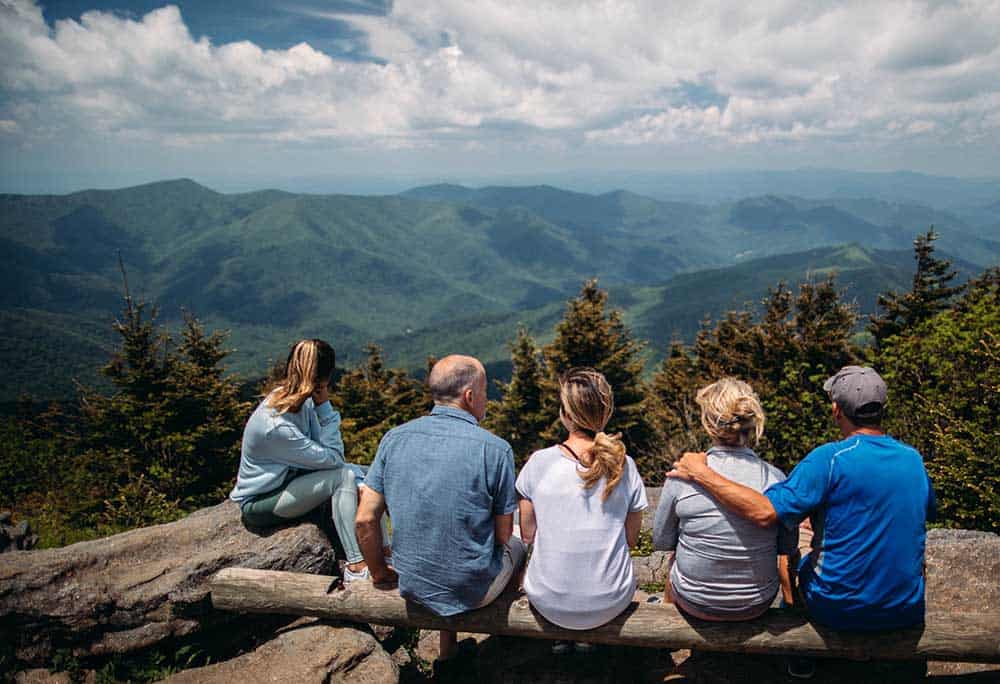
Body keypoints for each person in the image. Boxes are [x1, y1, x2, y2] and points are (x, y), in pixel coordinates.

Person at [668, 366, 936, 676]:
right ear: (881, 408)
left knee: (796, 545)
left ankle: (799, 650)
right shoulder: (913, 459)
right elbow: (924, 511)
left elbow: (765, 512)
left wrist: (701, 473)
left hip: (838, 608)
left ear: (836, 410)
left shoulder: (829, 459)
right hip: (904, 608)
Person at [355, 354, 526, 675]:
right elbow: (503, 536)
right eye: (485, 392)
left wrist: (378, 572)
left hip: (413, 583)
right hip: (474, 591)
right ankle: (509, 640)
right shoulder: (495, 449)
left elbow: (365, 519)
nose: (487, 399)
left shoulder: (394, 438)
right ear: (470, 396)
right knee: (519, 544)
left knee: (444, 538)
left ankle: (448, 652)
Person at [516, 367, 647, 654]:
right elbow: (630, 539)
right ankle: (588, 639)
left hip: (549, 601)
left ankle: (562, 637)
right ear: (605, 413)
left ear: (565, 414)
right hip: (610, 601)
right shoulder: (625, 465)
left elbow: (527, 534)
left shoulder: (539, 463)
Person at [230, 339, 384, 582]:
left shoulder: (297, 401)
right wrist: (326, 409)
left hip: (290, 482)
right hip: (261, 502)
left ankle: (385, 553)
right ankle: (356, 566)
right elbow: (335, 459)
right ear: (324, 379)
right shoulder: (277, 425)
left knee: (372, 474)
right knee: (343, 477)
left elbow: (324, 456)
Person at [652, 378, 795, 621]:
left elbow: (662, 540)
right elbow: (786, 546)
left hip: (695, 602)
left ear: (708, 424)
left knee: (675, 558)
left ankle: (666, 627)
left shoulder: (682, 475)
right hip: (757, 603)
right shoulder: (776, 478)